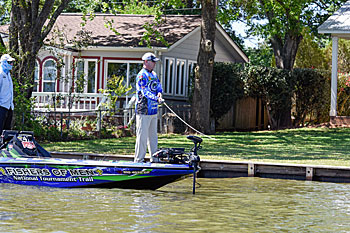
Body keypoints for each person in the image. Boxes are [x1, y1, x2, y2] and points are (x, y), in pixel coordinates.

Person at [134, 52, 163, 163]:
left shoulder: (154, 74)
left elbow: (158, 86)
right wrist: (156, 98)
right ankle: (139, 160)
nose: (154, 64)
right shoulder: (142, 75)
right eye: (152, 61)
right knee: (142, 136)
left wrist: (159, 93)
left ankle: (154, 158)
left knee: (153, 136)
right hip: (143, 110)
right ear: (146, 62)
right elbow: (144, 91)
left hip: (153, 110)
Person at [0, 54, 15, 134]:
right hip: (1, 106)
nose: (11, 64)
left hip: (9, 106)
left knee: (7, 131)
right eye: (9, 62)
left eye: (12, 62)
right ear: (4, 62)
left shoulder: (8, 74)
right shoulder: (0, 74)